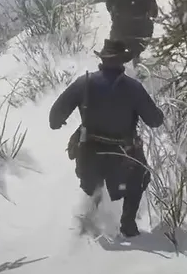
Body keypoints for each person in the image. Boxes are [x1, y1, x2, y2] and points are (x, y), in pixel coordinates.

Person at [49, 39, 165, 237]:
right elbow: (155, 120)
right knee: (141, 177)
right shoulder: (133, 88)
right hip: (123, 158)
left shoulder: (83, 83)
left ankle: (89, 218)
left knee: (94, 186)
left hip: (89, 158)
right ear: (122, 62)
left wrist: (61, 122)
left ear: (102, 60)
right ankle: (128, 224)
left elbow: (54, 119)